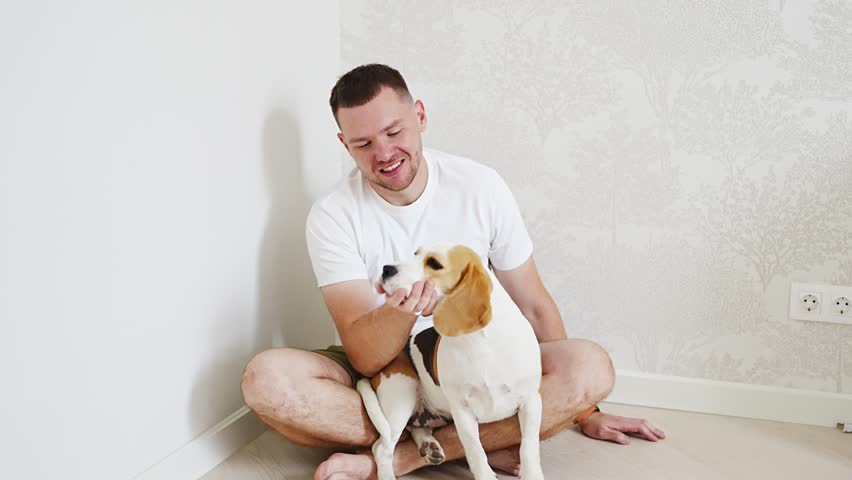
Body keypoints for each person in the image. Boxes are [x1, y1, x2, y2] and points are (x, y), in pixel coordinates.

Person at [241, 63, 666, 480]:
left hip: (475, 354)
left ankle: (408, 456)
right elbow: (364, 356)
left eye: (394, 132)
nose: (384, 154)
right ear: (344, 144)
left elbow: (533, 305)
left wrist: (584, 409)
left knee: (591, 367)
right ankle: (481, 441)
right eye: (363, 143)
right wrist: (405, 310)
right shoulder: (332, 216)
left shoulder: (480, 186)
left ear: (420, 116)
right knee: (267, 381)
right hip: (390, 363)